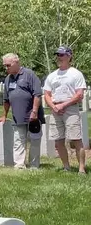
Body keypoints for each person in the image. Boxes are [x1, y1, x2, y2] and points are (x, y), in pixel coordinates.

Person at [0, 53, 44, 169]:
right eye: (4, 66)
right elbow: (6, 100)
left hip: (33, 116)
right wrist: (4, 115)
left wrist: (35, 111)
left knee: (34, 140)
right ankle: (19, 165)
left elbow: (37, 94)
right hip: (18, 116)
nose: (6, 68)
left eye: (8, 65)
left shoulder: (29, 74)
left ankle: (34, 165)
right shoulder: (8, 79)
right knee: (18, 140)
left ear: (17, 62)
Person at [43, 46, 86, 174]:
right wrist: (53, 106)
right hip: (55, 109)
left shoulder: (75, 74)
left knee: (76, 139)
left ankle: (81, 169)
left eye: (62, 55)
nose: (59, 58)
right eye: (58, 55)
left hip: (70, 108)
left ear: (69, 56)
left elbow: (79, 94)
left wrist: (64, 105)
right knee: (58, 140)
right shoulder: (52, 75)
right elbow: (47, 94)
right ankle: (66, 167)